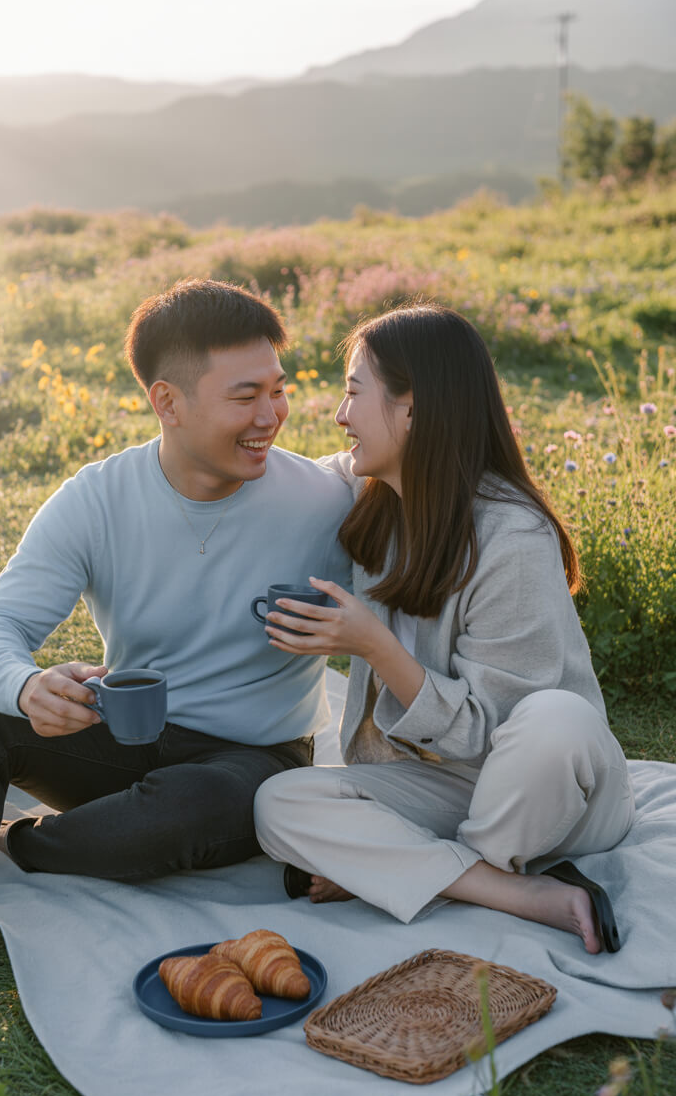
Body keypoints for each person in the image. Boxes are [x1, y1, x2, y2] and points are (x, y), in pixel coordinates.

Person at [0, 279, 353, 995]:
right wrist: (26, 686)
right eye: (245, 396)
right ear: (167, 402)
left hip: (252, 763)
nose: (272, 415)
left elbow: (410, 625)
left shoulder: (328, 501)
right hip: (129, 738)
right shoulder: (97, 499)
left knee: (189, 806)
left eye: (279, 389)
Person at [254, 302, 635, 955]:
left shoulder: (511, 536)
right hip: (444, 787)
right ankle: (509, 888)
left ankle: (426, 868)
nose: (340, 417)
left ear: (412, 408)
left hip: (547, 795)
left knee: (556, 719)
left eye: (353, 393)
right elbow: (278, 486)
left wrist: (371, 642)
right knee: (279, 802)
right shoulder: (374, 494)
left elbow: (495, 735)